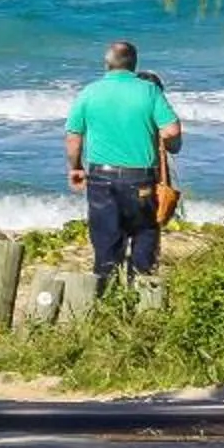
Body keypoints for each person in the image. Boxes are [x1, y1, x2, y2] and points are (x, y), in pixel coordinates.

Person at [65, 40, 182, 296]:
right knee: (144, 236)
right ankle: (142, 302)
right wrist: (169, 144)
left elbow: (74, 138)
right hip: (141, 178)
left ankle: (106, 302)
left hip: (100, 177)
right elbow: (171, 130)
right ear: (133, 64)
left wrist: (75, 167)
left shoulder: (89, 92)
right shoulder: (149, 91)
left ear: (107, 64)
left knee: (106, 243)